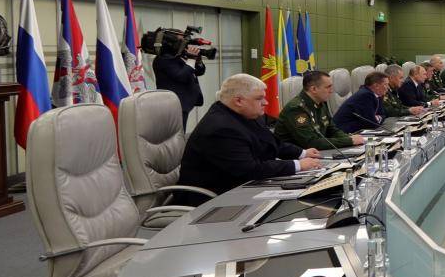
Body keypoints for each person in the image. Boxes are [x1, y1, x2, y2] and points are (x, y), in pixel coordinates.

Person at [179, 74, 321, 195]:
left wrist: (302, 153)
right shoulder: (221, 128)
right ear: (238, 101)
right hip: (214, 198)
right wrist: (297, 165)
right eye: (259, 98)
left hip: (242, 186)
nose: (266, 103)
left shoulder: (246, 114)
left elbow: (272, 143)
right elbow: (250, 169)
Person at [276, 69, 365, 150]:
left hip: (316, 153)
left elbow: (332, 129)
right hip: (295, 157)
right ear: (314, 89)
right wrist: (348, 141)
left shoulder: (320, 102)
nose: (331, 91)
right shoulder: (296, 109)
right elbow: (311, 143)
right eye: (328, 87)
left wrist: (348, 138)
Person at [152, 33, 205, 126]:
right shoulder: (164, 58)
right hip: (174, 105)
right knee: (178, 132)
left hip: (183, 104)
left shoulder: (178, 56)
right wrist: (191, 59)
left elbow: (198, 72)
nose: (184, 44)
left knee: (180, 132)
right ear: (170, 43)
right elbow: (182, 76)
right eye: (180, 42)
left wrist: (198, 61)